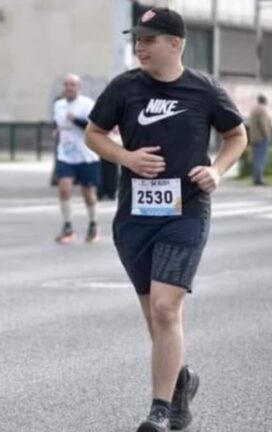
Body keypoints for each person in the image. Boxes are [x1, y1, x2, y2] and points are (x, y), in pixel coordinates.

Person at [85, 8, 247, 431]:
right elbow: (94, 134)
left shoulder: (204, 90)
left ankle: (159, 410)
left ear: (175, 44)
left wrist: (217, 170)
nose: (140, 46)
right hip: (134, 217)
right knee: (153, 314)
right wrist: (126, 157)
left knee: (164, 306)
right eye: (137, 39)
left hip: (186, 212)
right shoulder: (124, 88)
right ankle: (181, 383)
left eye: (149, 39)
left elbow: (237, 135)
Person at [52, 73, 101, 244]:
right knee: (64, 189)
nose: (68, 88)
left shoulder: (87, 105)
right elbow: (57, 122)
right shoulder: (59, 105)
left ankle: (93, 224)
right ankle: (67, 226)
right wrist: (56, 130)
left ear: (79, 87)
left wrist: (76, 120)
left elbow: (95, 127)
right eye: (66, 84)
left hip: (86, 156)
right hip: (65, 155)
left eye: (72, 85)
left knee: (88, 194)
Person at [248, 94, 272, 186]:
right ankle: (259, 179)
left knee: (257, 159)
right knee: (261, 159)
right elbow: (263, 124)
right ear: (265, 101)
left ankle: (256, 178)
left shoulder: (253, 110)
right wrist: (267, 135)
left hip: (254, 137)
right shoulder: (262, 110)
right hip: (261, 138)